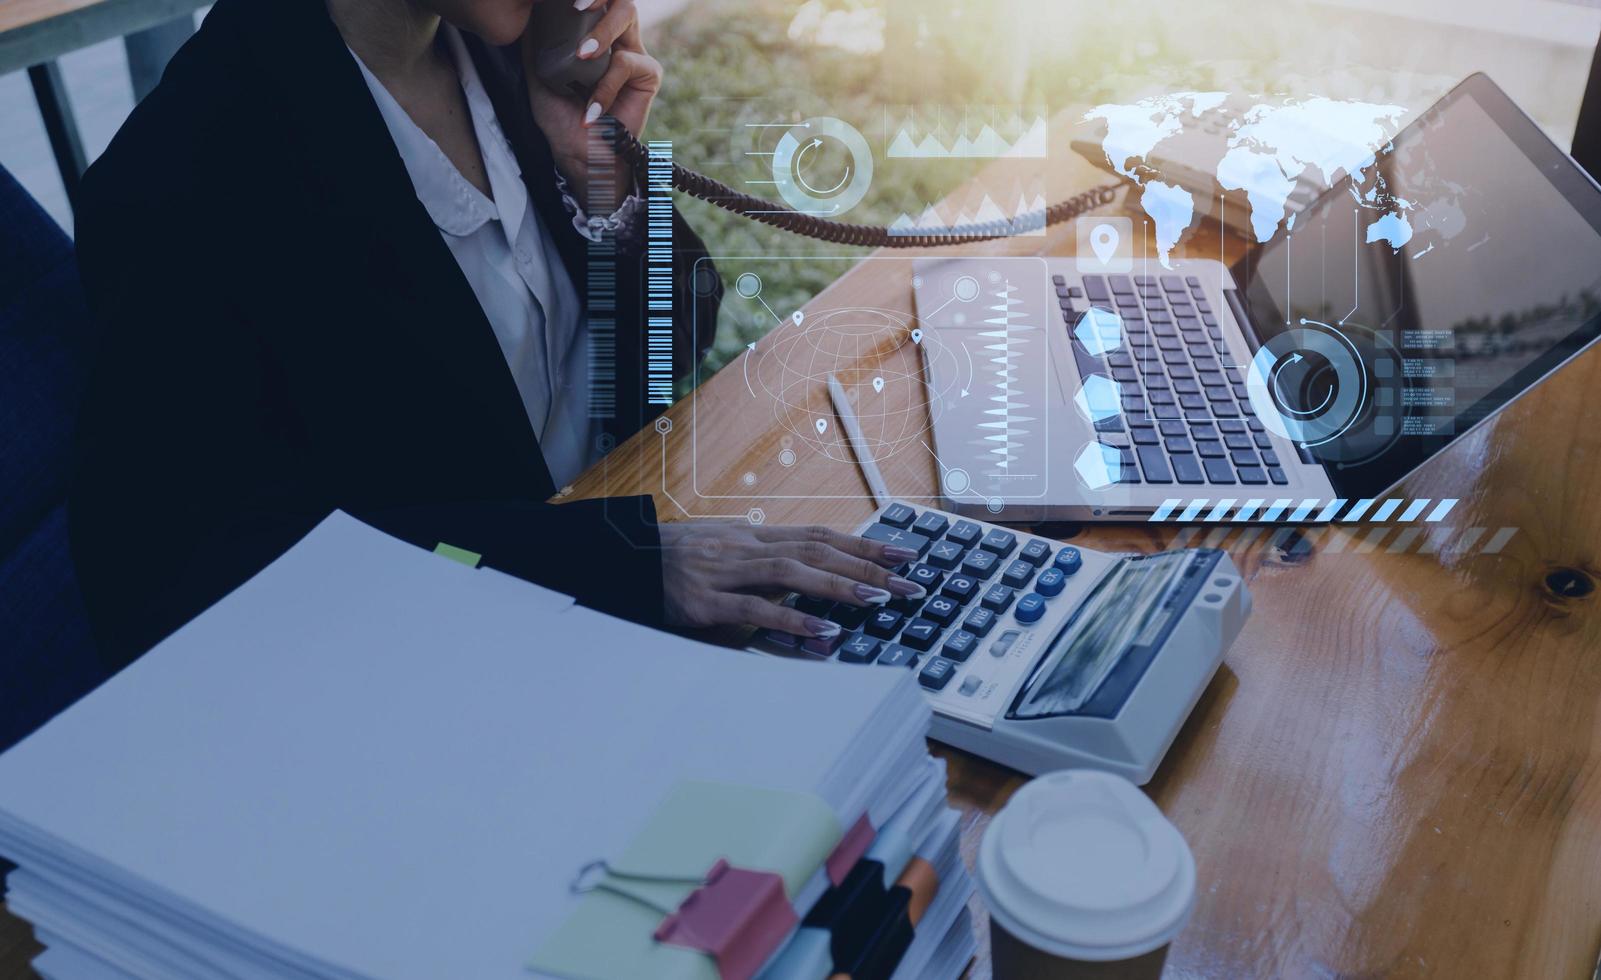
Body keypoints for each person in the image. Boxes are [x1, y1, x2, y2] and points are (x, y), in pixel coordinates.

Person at [69, 0, 924, 671]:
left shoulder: (505, 57)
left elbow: (672, 348)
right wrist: (618, 565)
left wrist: (600, 180)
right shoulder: (177, 182)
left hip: (635, 572)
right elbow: (207, 586)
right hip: (454, 674)